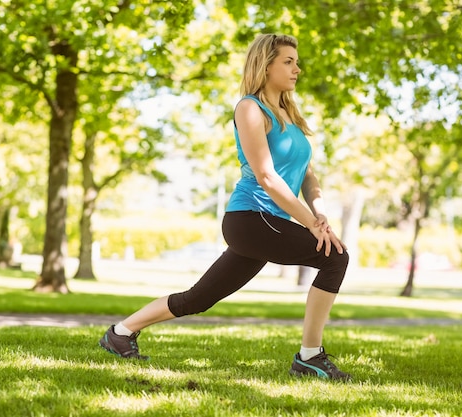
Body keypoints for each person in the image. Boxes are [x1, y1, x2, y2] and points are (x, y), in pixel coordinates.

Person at [99, 33, 351, 381]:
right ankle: (310, 357)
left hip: (270, 222)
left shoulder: (289, 115)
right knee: (335, 257)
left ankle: (120, 333)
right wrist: (310, 223)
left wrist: (319, 211)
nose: (298, 69)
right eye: (288, 62)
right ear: (266, 65)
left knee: (198, 299)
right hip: (251, 217)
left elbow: (306, 173)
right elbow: (266, 175)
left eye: (296, 62)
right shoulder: (249, 108)